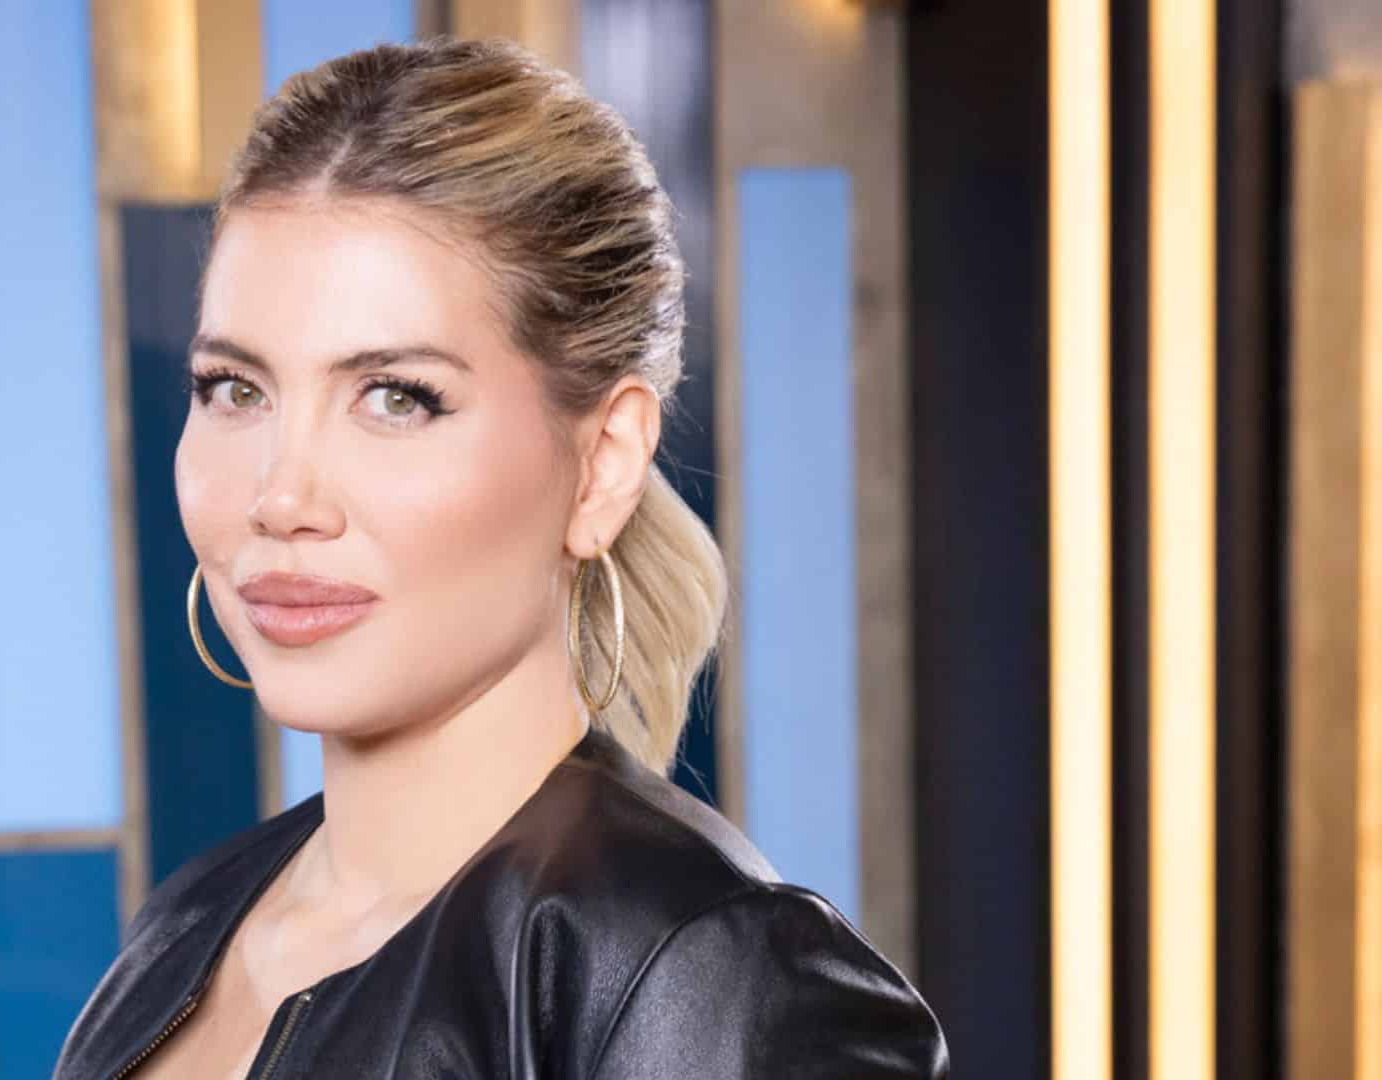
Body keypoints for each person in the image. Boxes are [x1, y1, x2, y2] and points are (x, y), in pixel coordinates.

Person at [54, 36, 948, 1079]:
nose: (280, 497)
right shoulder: (187, 923)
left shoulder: (711, 975)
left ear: (604, 463)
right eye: (235, 390)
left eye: (397, 397)